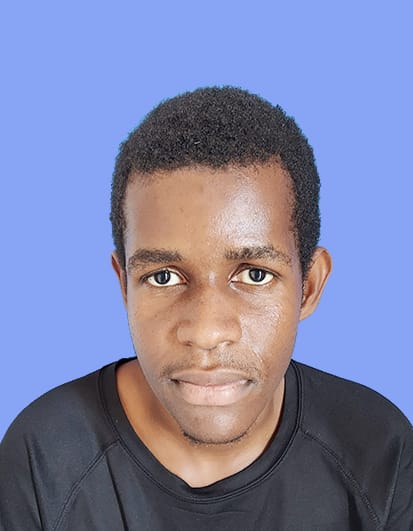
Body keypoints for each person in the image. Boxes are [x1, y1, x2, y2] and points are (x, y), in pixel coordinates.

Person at [0, 87, 411, 531]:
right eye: (163, 277)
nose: (207, 332)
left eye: (255, 274)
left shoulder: (378, 449)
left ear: (308, 287)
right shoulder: (43, 458)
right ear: (124, 287)